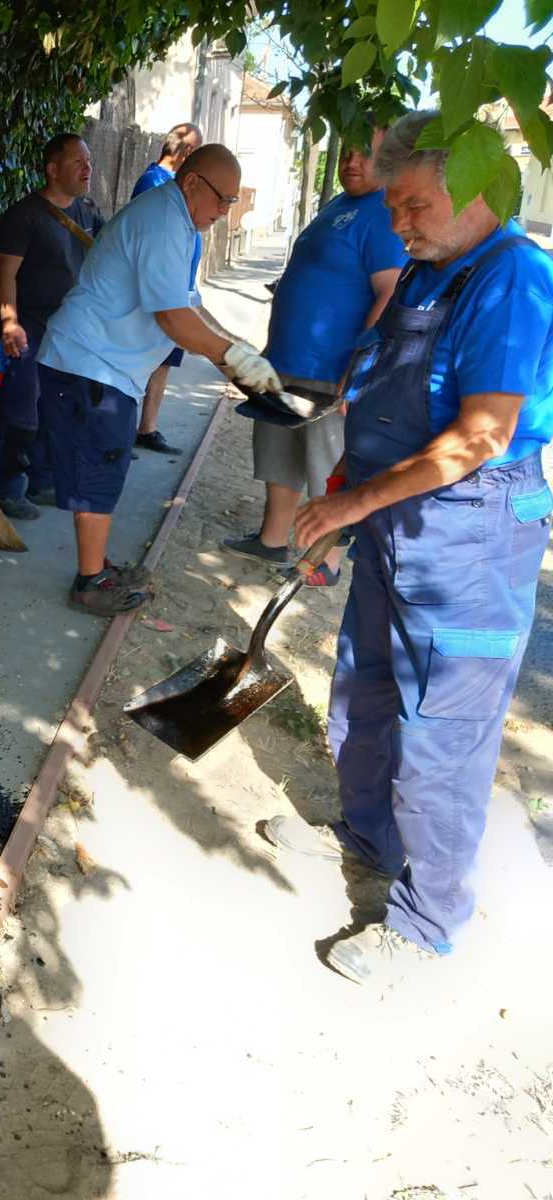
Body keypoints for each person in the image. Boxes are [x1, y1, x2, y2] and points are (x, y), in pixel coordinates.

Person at [264, 111, 553, 987]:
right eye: (394, 205)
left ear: (477, 190)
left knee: (443, 739)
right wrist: (337, 503)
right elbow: (381, 405)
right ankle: (366, 838)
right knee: (364, 693)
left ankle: (427, 925)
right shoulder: (429, 273)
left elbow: (481, 436)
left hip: (469, 537)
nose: (398, 223)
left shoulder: (512, 279)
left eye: (415, 204)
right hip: (394, 521)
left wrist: (355, 504)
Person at [37, 144, 280, 614]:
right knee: (98, 475)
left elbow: (186, 304)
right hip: (90, 363)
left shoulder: (177, 221)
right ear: (191, 182)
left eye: (232, 202)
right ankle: (90, 581)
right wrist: (231, 356)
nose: (225, 212)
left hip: (104, 364)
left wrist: (236, 350)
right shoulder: (163, 222)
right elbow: (172, 318)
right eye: (223, 199)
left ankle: (98, 566)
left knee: (105, 471)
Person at [222, 136, 406, 584]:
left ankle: (325, 560)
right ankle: (272, 539)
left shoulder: (383, 213)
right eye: (347, 152)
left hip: (331, 370)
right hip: (288, 362)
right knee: (279, 455)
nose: (352, 160)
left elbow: (389, 292)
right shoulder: (338, 205)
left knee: (327, 463)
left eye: (365, 153)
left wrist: (359, 366)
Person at [0, 133, 106, 519]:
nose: (87, 169)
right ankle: (9, 487)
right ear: (53, 169)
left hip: (70, 329)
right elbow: (6, 272)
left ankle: (43, 479)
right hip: (30, 327)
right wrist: (10, 323)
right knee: (21, 410)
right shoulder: (25, 215)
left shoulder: (88, 211)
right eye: (78, 162)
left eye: (88, 161)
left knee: (58, 408)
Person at [129, 123, 206, 457]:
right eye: (199, 153)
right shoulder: (154, 182)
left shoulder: (172, 182)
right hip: (157, 294)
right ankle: (121, 431)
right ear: (187, 152)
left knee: (163, 363)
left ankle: (147, 428)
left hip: (177, 291)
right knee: (140, 363)